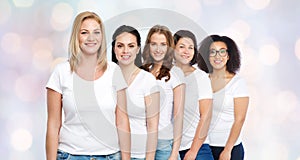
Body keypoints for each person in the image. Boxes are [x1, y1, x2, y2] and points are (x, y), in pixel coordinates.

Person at [45, 11, 131, 160]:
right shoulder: (61, 72)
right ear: (76, 37)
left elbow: (122, 121)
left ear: (101, 37)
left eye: (96, 32)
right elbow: (53, 124)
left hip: (110, 156)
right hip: (70, 155)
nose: (91, 38)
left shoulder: (114, 71)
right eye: (84, 32)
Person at [111, 25, 160, 160]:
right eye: (120, 46)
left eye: (131, 46)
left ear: (138, 49)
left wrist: (149, 158)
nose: (125, 51)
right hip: (109, 154)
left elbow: (153, 126)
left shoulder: (147, 80)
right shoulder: (105, 77)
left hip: (139, 155)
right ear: (114, 48)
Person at [198, 35, 250, 160]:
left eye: (222, 51)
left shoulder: (237, 83)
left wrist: (227, 150)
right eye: (213, 52)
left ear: (228, 56)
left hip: (229, 148)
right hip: (205, 146)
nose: (217, 56)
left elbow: (240, 119)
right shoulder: (202, 80)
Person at [141, 25, 185, 160]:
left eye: (163, 44)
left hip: (163, 144)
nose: (158, 49)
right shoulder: (142, 72)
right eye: (154, 44)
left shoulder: (175, 74)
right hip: (141, 142)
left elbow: (178, 117)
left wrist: (173, 154)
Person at [173, 30, 214, 160]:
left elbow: (206, 116)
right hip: (170, 149)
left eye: (191, 47)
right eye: (181, 47)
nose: (186, 51)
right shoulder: (166, 74)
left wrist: (193, 151)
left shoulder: (200, 77)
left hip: (197, 149)